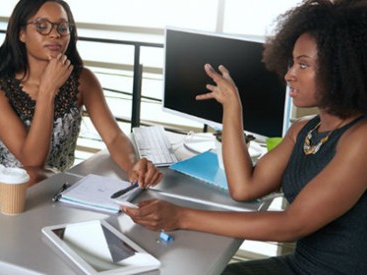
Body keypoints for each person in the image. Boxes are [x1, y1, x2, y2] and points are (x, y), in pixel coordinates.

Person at [121, 0, 367, 274]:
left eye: (303, 65)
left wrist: (180, 216)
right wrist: (232, 106)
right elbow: (244, 188)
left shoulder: (361, 138)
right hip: (302, 266)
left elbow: (291, 224)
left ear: (343, 68)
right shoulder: (304, 129)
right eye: (291, 63)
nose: (289, 75)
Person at [0, 0, 163, 210]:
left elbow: (113, 137)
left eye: (62, 27)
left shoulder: (83, 80)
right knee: (33, 176)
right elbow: (32, 162)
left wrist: (134, 166)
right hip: (7, 186)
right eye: (42, 26)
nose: (54, 34)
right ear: (21, 33)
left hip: (55, 185)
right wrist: (48, 91)